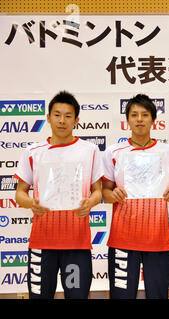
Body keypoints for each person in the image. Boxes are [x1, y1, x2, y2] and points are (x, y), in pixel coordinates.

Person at [14, 91, 103, 299]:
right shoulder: (33, 151)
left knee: (77, 296)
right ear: (48, 118)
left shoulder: (89, 150)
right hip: (41, 244)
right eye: (57, 114)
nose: (62, 120)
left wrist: (90, 202)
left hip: (77, 245)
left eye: (68, 115)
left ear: (77, 120)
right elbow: (20, 193)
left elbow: (98, 190)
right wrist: (31, 203)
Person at [102, 94, 169, 299]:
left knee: (158, 295)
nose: (139, 119)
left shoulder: (168, 152)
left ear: (153, 120)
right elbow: (104, 192)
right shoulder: (113, 151)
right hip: (123, 239)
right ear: (127, 120)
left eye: (145, 115)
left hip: (157, 238)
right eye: (134, 115)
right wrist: (113, 194)